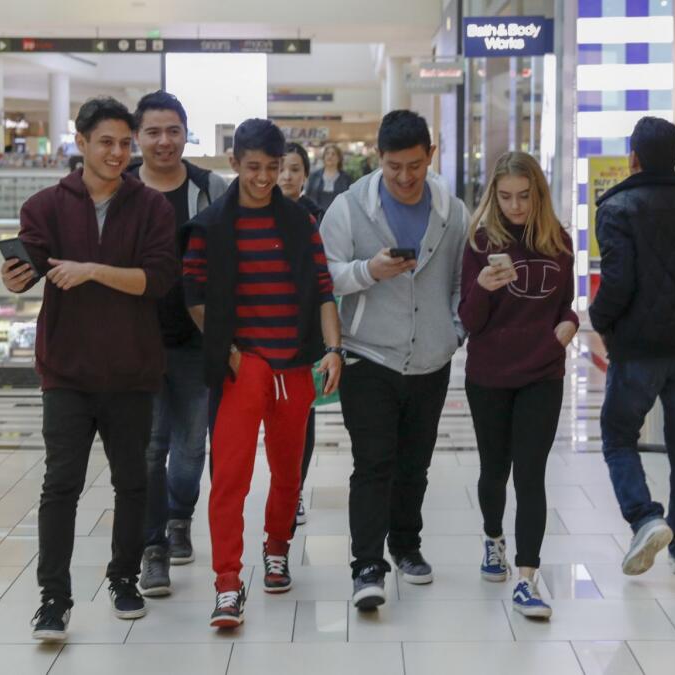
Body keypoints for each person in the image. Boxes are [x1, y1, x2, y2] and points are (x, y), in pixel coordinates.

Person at [0, 97, 177, 641]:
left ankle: (123, 578)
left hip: (131, 369)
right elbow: (27, 270)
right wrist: (15, 279)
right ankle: (54, 598)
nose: (119, 153)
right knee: (61, 485)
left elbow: (157, 280)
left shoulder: (151, 208)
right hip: (67, 372)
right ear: (81, 143)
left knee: (132, 482)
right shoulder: (46, 206)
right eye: (107, 142)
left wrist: (93, 270)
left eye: (126, 143)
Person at [182, 118, 343, 629]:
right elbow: (194, 296)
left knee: (288, 471)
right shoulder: (210, 224)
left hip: (295, 366)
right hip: (241, 368)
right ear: (234, 163)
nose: (264, 178)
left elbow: (323, 288)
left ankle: (277, 548)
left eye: (272, 168)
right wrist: (230, 354)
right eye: (253, 167)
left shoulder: (300, 222)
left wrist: (334, 349)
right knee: (229, 478)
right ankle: (227, 584)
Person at [320, 110, 469, 610]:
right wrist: (370, 270)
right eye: (393, 167)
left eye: (414, 165)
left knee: (415, 464)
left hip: (430, 357)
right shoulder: (348, 208)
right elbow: (327, 278)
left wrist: (455, 330)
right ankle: (367, 564)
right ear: (377, 161)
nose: (404, 177)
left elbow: (459, 282)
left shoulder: (453, 211)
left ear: (430, 156)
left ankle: (406, 545)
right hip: (368, 356)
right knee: (373, 463)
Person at [588, 117, 675, 578]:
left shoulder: (619, 207)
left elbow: (618, 282)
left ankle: (644, 517)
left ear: (634, 157)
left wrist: (599, 319)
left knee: (619, 436)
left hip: (639, 349)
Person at [459, 152, 577, 620]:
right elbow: (469, 321)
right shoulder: (479, 241)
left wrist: (567, 324)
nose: (515, 206)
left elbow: (567, 303)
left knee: (531, 474)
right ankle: (493, 538)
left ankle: (527, 578)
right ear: (494, 194)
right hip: (489, 373)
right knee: (495, 468)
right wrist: (484, 286)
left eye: (524, 196)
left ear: (539, 194)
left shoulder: (558, 241)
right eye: (506, 196)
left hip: (542, 371)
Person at [126, 90, 228, 598]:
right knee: (149, 450)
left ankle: (179, 517)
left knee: (190, 450)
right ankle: (153, 549)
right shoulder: (119, 190)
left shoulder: (210, 188)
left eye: (173, 130)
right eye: (153, 132)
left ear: (185, 133)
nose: (164, 141)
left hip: (196, 343)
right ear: (137, 137)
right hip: (136, 345)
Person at [277, 141, 331, 527]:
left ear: (305, 176)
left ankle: (294, 491)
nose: (285, 176)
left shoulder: (318, 218)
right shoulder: (251, 213)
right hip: (261, 331)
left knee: (301, 416)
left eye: (294, 169)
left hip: (303, 333)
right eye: (281, 168)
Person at [306, 144, 353, 212]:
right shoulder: (314, 176)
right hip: (317, 216)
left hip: (338, 216)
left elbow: (349, 199)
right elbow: (308, 197)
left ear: (339, 158)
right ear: (324, 157)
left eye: (333, 154)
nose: (330, 156)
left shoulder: (346, 178)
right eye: (327, 153)